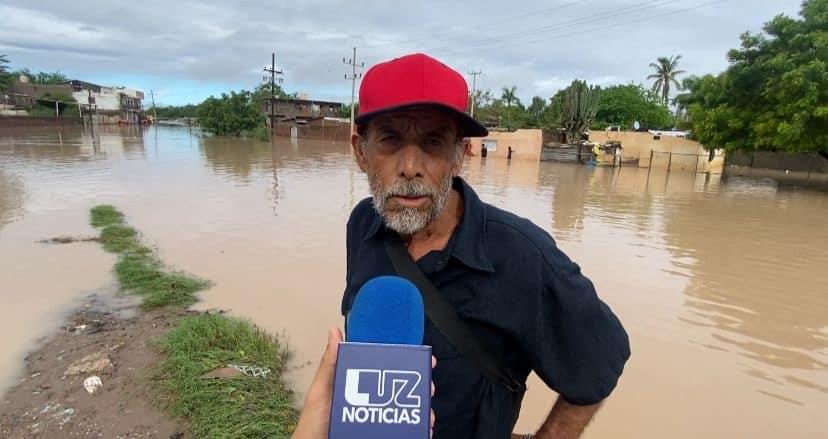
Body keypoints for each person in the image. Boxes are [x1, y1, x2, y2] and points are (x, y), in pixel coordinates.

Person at [314, 53, 629, 439]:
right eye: (390, 139)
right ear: (360, 151)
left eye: (433, 142)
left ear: (460, 155)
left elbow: (598, 359)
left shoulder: (521, 255)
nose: (410, 166)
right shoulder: (362, 224)